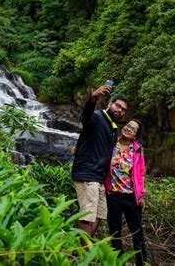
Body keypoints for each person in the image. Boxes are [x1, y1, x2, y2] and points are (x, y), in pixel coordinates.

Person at [72, 85, 128, 237]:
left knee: (101, 213)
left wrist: (78, 146)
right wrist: (93, 98)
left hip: (99, 177)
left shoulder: (113, 128)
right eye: (118, 106)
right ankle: (83, 253)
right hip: (87, 174)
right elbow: (85, 118)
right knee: (87, 215)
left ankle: (78, 249)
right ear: (109, 104)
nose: (120, 110)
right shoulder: (97, 116)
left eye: (123, 110)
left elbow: (87, 137)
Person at [105, 119, 147, 265]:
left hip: (131, 196)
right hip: (113, 196)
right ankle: (120, 261)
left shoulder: (137, 149)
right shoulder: (111, 143)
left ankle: (141, 262)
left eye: (133, 129)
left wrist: (141, 194)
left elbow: (140, 174)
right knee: (115, 232)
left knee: (137, 231)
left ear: (135, 135)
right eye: (128, 126)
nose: (128, 129)